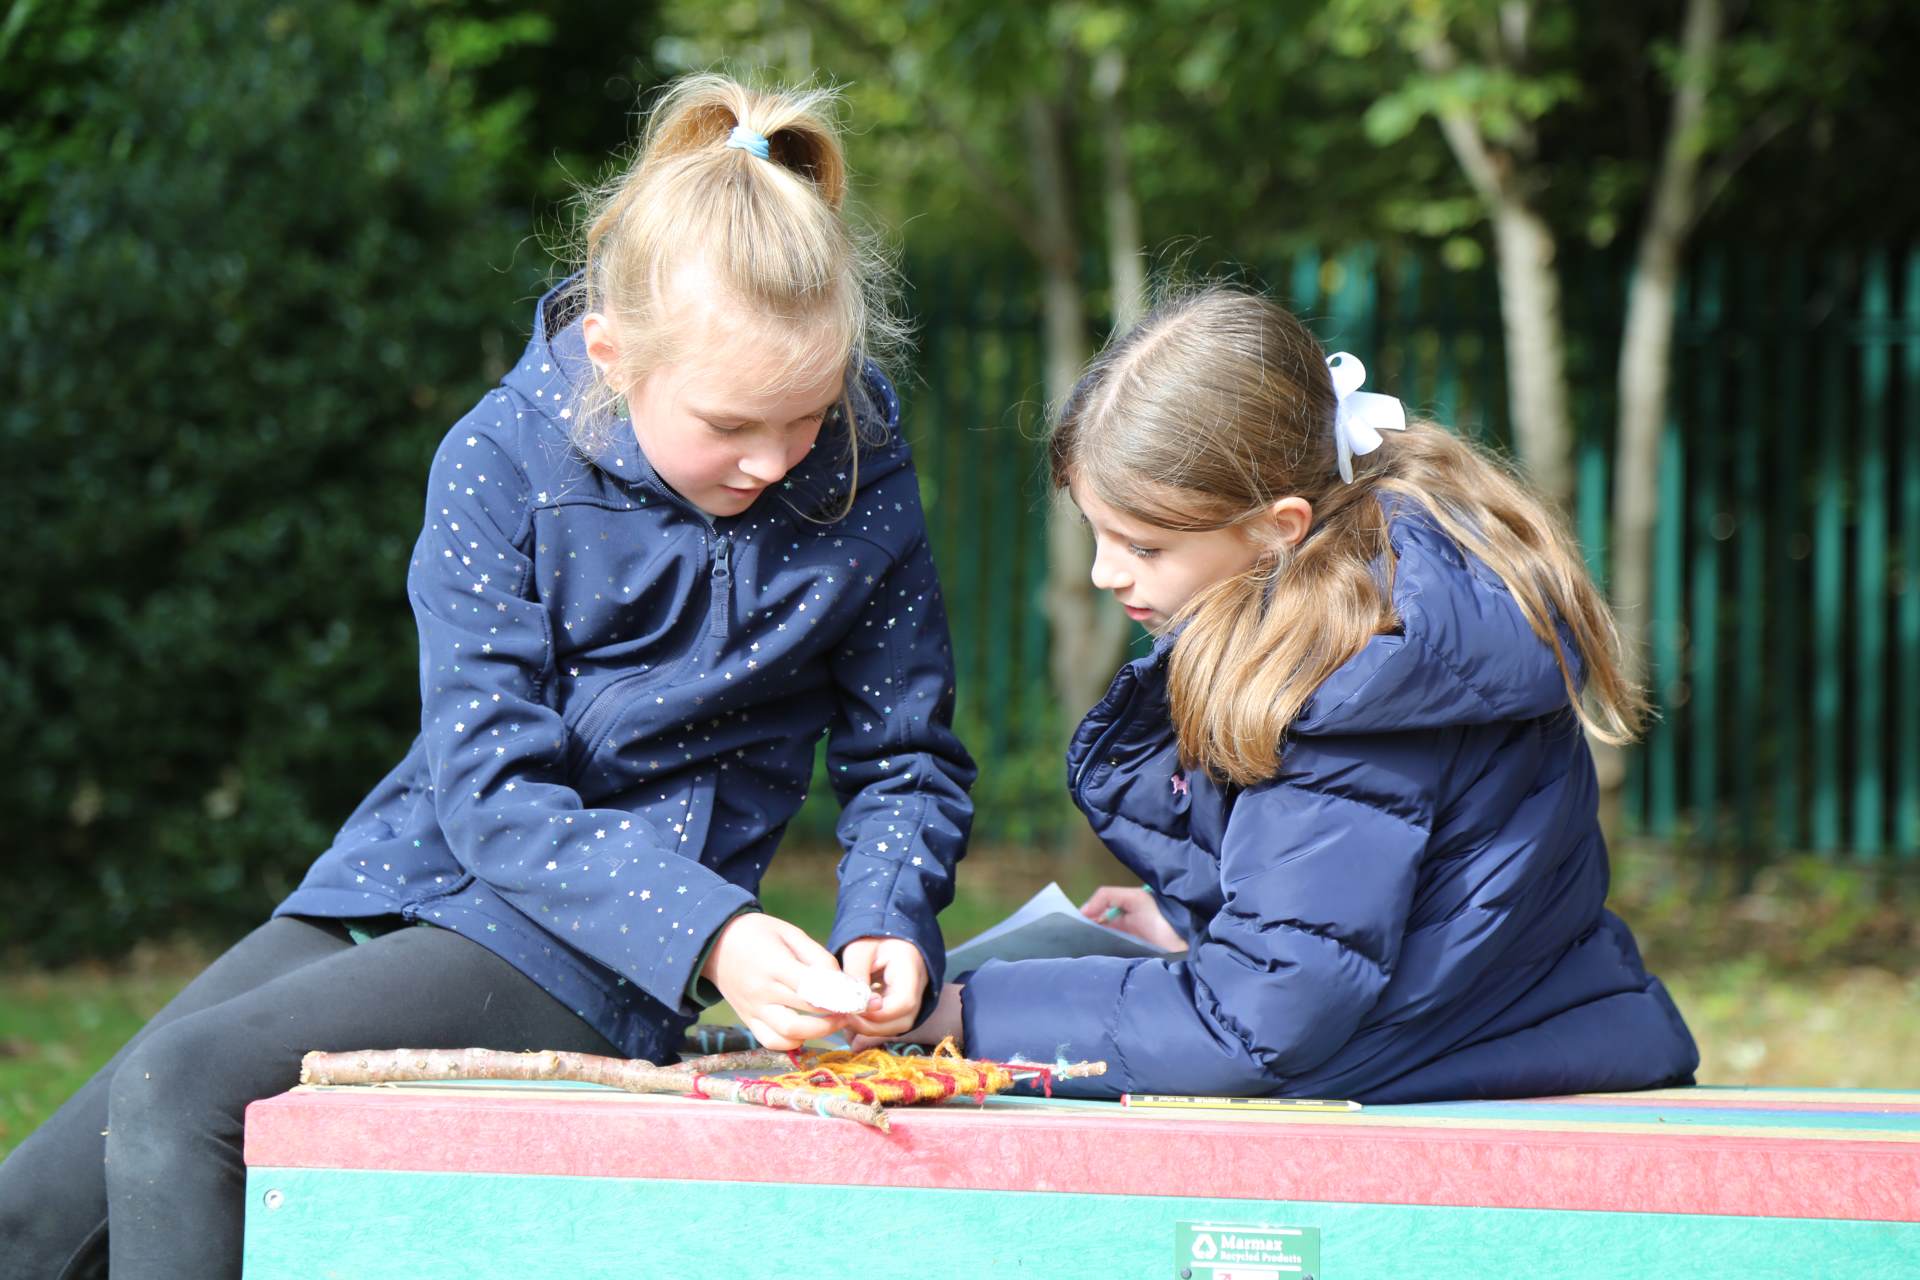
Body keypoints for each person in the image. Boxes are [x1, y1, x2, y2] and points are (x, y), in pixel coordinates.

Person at [0, 73, 974, 1278]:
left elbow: (906, 755)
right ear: (611, 355)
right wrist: (716, 931)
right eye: (731, 424)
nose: (776, 459)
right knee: (30, 1212)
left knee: (178, 1089)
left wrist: (885, 915)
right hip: (410, 874)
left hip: (600, 949)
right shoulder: (497, 458)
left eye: (807, 415)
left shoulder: (864, 468)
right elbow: (489, 785)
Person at [887, 285, 1696, 1104]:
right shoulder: (1381, 615)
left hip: (1445, 1066)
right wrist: (1198, 918)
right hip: (1532, 1026)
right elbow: (1366, 901)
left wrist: (967, 1012)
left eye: (1145, 546)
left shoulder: (1352, 680)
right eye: (1096, 533)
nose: (1106, 572)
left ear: (1279, 527)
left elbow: (1257, 1027)